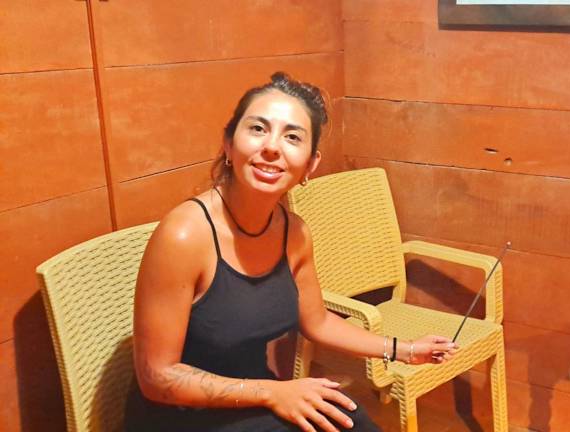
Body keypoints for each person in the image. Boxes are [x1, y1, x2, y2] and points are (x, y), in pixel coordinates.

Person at [125, 72, 458, 432]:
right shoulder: (185, 235)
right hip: (183, 416)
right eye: (258, 129)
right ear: (228, 144)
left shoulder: (294, 233)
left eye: (292, 137)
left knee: (350, 420)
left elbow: (317, 321)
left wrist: (405, 349)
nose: (272, 147)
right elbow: (157, 376)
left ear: (310, 164)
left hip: (255, 396)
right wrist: (272, 393)